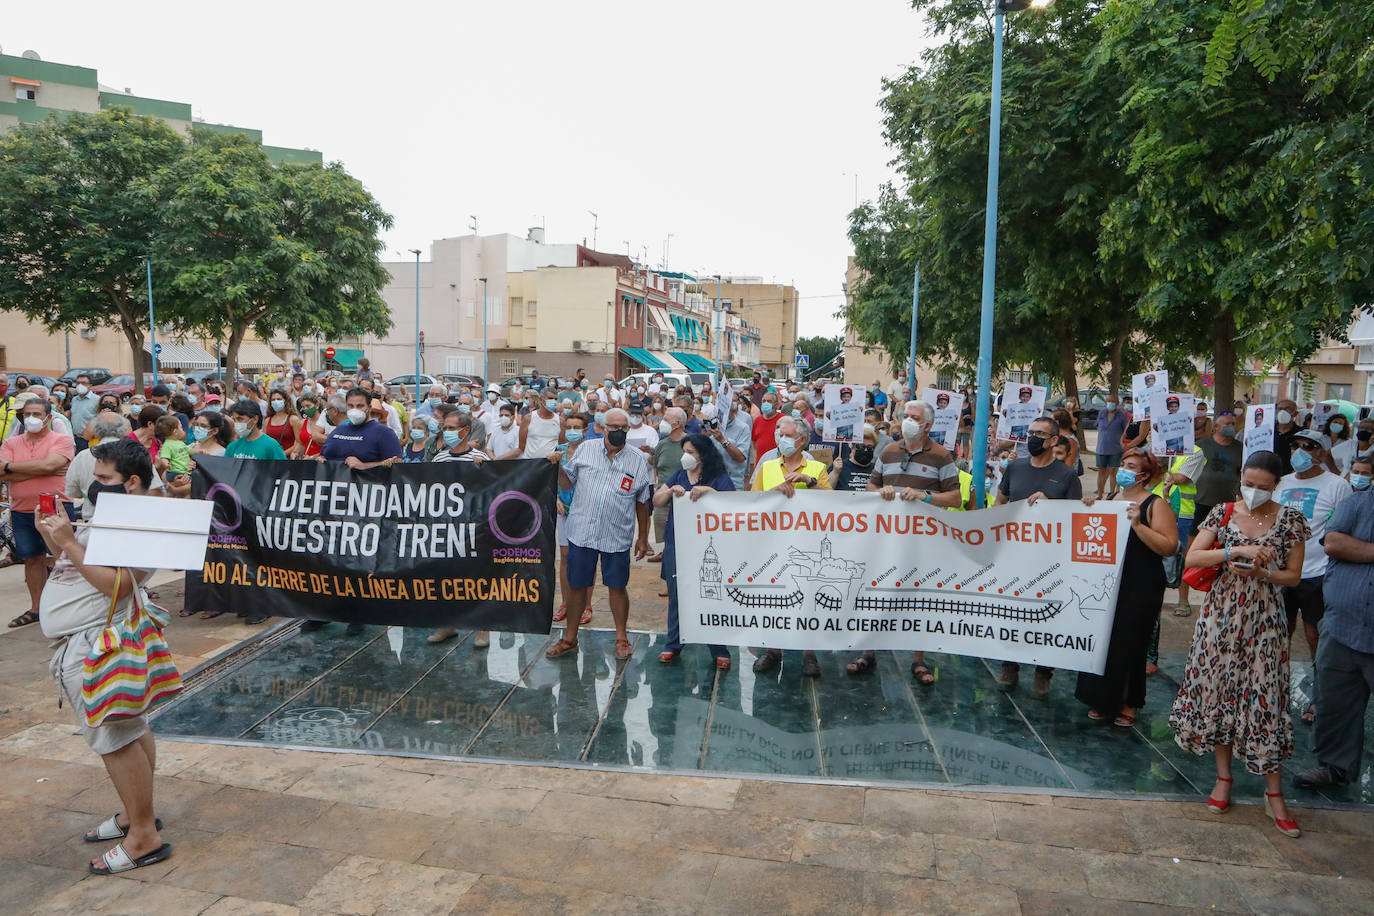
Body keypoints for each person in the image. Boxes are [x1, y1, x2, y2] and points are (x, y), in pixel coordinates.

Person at [36, 438, 173, 875]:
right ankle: (137, 815)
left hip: (96, 644)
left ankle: (143, 836)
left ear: (131, 481)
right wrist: (57, 539)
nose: (94, 487)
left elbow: (119, 583)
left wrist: (69, 544)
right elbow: (82, 562)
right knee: (129, 728)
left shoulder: (143, 521)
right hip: (85, 639)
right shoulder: (119, 513)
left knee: (114, 738)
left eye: (103, 479)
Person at [1170, 450, 1308, 838]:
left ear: (1276, 485)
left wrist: (1265, 571)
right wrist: (1237, 550)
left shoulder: (1291, 520)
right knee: (1219, 693)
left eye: (1264, 487)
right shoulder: (1223, 511)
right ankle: (1223, 778)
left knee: (1265, 698)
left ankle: (1274, 794)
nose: (1255, 492)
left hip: (1265, 620)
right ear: (1241, 479)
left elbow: (1294, 577)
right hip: (1220, 617)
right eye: (1249, 483)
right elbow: (1192, 556)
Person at [849, 403, 959, 683]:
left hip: (923, 541)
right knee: (876, 590)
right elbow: (871, 486)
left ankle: (919, 661)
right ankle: (868, 652)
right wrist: (880, 491)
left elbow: (956, 498)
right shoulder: (888, 451)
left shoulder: (941, 456)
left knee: (918, 597)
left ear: (927, 426)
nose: (908, 421)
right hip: (886, 538)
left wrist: (925, 497)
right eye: (905, 416)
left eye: (915, 418)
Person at [1076, 449, 1176, 725]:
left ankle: (1128, 702)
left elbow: (1169, 547)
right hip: (1109, 581)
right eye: (1122, 464)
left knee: (1131, 641)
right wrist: (1089, 507)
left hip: (1141, 582)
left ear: (1144, 475)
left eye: (1131, 466)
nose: (1124, 470)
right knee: (1105, 639)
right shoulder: (1109, 498)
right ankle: (1100, 698)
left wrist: (1138, 525)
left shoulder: (1155, 505)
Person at [547, 408, 652, 662]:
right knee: (577, 586)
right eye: (613, 427)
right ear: (602, 428)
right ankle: (570, 638)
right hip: (582, 532)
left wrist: (643, 537)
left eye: (623, 428)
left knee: (617, 586)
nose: (618, 431)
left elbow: (642, 501)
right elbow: (567, 483)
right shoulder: (585, 450)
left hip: (616, 535)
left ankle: (621, 638)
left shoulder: (638, 459)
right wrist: (558, 468)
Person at [1293, 468, 1374, 791]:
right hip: (1343, 627)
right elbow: (1335, 542)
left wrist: (1362, 550)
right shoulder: (1358, 503)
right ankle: (1334, 768)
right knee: (1334, 703)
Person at [994, 415, 1081, 694]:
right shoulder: (1015, 467)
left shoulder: (1067, 475)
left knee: (1046, 614)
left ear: (1054, 440)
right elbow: (1000, 502)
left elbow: (1075, 516)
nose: (1032, 438)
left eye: (1039, 434)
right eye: (1030, 432)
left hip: (1049, 559)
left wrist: (1051, 505)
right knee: (1012, 610)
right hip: (1013, 554)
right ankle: (1010, 665)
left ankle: (1043, 670)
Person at [1274, 430, 1350, 723]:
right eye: (1296, 445)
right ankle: (1278, 692)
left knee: (1315, 634)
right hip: (1282, 572)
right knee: (1281, 633)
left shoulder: (1335, 485)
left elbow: (1342, 528)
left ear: (1323, 452)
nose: (1300, 450)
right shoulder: (1282, 483)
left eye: (1310, 446)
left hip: (1318, 572)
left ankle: (1321, 697)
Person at [751, 416, 832, 678]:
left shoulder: (817, 467)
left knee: (808, 595)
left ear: (801, 440)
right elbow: (752, 501)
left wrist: (809, 482)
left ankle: (809, 653)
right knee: (774, 595)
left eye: (786, 434)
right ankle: (773, 650)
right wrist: (774, 491)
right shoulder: (768, 465)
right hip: (773, 541)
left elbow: (835, 503)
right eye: (778, 433)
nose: (779, 438)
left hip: (807, 542)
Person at [654, 433, 735, 669]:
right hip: (676, 542)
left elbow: (732, 505)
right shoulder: (679, 475)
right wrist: (669, 492)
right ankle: (673, 644)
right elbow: (657, 500)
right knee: (677, 594)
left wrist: (710, 492)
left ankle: (718, 648)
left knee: (711, 595)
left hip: (707, 546)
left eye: (691, 452)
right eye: (684, 451)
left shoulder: (718, 477)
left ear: (703, 454)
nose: (686, 456)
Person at [2, 397, 77, 628]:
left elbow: (49, 465)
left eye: (36, 414)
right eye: (26, 414)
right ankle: (37, 608)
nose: (31, 419)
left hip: (55, 508)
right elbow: (45, 468)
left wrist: (11, 468)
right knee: (32, 559)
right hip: (22, 511)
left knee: (64, 558)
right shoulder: (12, 443)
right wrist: (43, 469)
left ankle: (69, 607)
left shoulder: (62, 440)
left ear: (48, 417)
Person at [1180, 411, 1243, 614]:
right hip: (1201, 505)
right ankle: (1183, 599)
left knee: (1224, 555)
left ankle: (1221, 599)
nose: (1230, 427)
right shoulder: (1202, 445)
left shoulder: (1240, 449)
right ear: (1216, 426)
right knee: (1190, 553)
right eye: (1226, 424)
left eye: (1233, 424)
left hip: (1227, 508)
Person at [550, 413, 596, 630]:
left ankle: (586, 605)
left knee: (586, 558)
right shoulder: (558, 450)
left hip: (587, 511)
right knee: (566, 557)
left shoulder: (594, 450)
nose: (572, 430)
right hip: (563, 511)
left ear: (585, 429)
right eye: (569, 426)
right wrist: (556, 498)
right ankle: (566, 603)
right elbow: (550, 479)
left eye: (577, 427)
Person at [321, 388, 402, 469]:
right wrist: (319, 460)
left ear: (369, 407)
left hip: (369, 480)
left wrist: (364, 466)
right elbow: (323, 456)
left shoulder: (385, 433)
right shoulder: (338, 430)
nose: (355, 410)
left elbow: (397, 466)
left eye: (360, 406)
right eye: (350, 406)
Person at [649, 407, 691, 564]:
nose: (662, 423)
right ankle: (669, 581)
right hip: (664, 498)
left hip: (684, 499)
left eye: (666, 419)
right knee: (667, 542)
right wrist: (657, 487)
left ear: (678, 423)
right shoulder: (662, 444)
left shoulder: (691, 443)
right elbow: (656, 467)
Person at [712, 397, 753, 490]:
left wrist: (723, 441)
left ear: (733, 411)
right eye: (719, 413)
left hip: (733, 483)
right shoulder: (714, 426)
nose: (721, 416)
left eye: (724, 413)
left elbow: (741, 457)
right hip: (713, 483)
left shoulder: (743, 428)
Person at [519, 391, 561, 459]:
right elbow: (521, 447)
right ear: (541, 399)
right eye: (550, 398)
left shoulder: (560, 421)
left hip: (550, 464)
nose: (553, 401)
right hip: (530, 463)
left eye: (556, 399)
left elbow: (561, 447)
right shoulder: (528, 418)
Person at [263, 390, 304, 459]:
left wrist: (282, 454)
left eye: (279, 399)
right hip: (270, 459)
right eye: (273, 400)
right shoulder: (267, 421)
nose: (276, 401)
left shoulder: (293, 419)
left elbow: (299, 442)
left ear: (285, 401)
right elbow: (264, 441)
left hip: (287, 459)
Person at [68, 374, 100, 452]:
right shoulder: (74, 400)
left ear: (90, 385)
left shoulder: (97, 400)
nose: (80, 385)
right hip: (75, 438)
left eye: (84, 383)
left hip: (89, 439)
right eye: (78, 383)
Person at [1273, 399, 1300, 476]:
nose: (1283, 412)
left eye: (1288, 409)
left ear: (1296, 413)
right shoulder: (1267, 432)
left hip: (1292, 477)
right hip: (1268, 477)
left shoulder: (1301, 434)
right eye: (1280, 409)